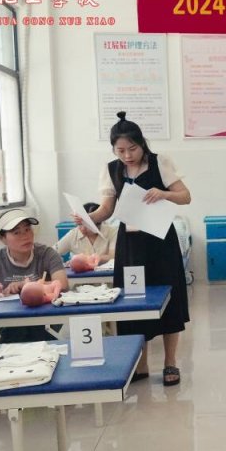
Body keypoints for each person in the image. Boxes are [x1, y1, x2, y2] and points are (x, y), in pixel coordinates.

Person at [84, 111, 191, 386]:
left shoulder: (160, 162)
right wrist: (87, 218)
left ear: (142, 144)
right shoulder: (112, 170)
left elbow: (185, 196)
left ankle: (170, 362)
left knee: (169, 300)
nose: (127, 155)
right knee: (133, 302)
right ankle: (141, 364)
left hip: (160, 241)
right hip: (131, 244)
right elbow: (106, 210)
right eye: (120, 150)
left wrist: (164, 193)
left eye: (132, 149)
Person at [0, 209, 69, 344]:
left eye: (27, 229)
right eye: (16, 232)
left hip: (45, 319)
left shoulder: (47, 254)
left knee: (33, 335)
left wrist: (26, 285)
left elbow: (62, 284)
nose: (25, 236)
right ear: (2, 239)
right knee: (15, 334)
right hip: (10, 323)